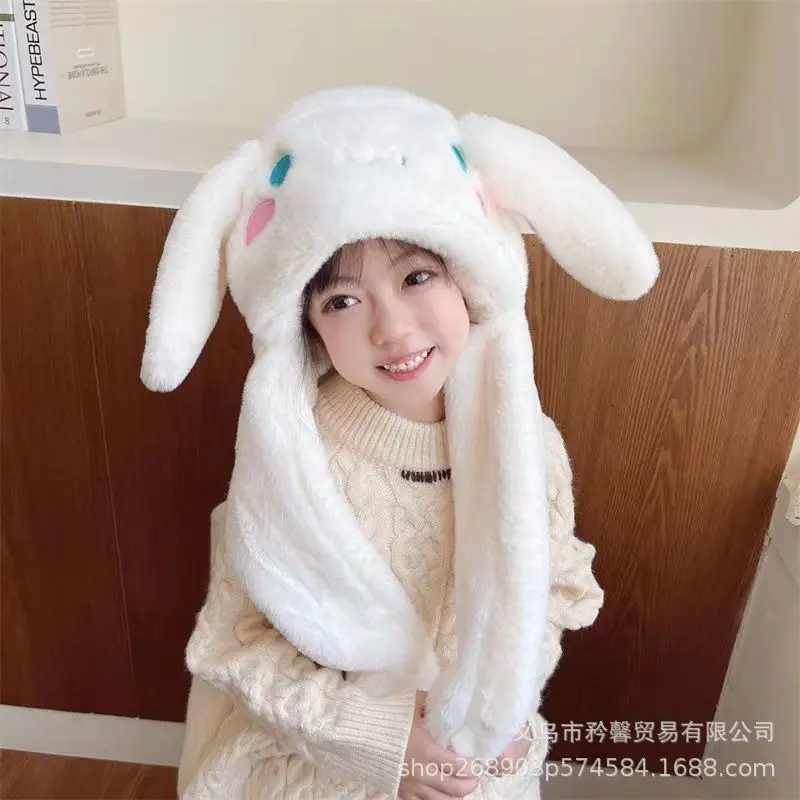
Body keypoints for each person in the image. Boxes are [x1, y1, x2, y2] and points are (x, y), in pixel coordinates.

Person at [138, 85, 658, 799]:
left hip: (474, 757)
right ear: (307, 328)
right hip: (323, 762)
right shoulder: (292, 459)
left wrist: (498, 705)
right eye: (342, 301)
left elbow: (554, 584)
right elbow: (235, 641)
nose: (392, 328)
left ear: (468, 280)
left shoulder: (526, 442)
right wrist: (381, 738)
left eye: (417, 276)